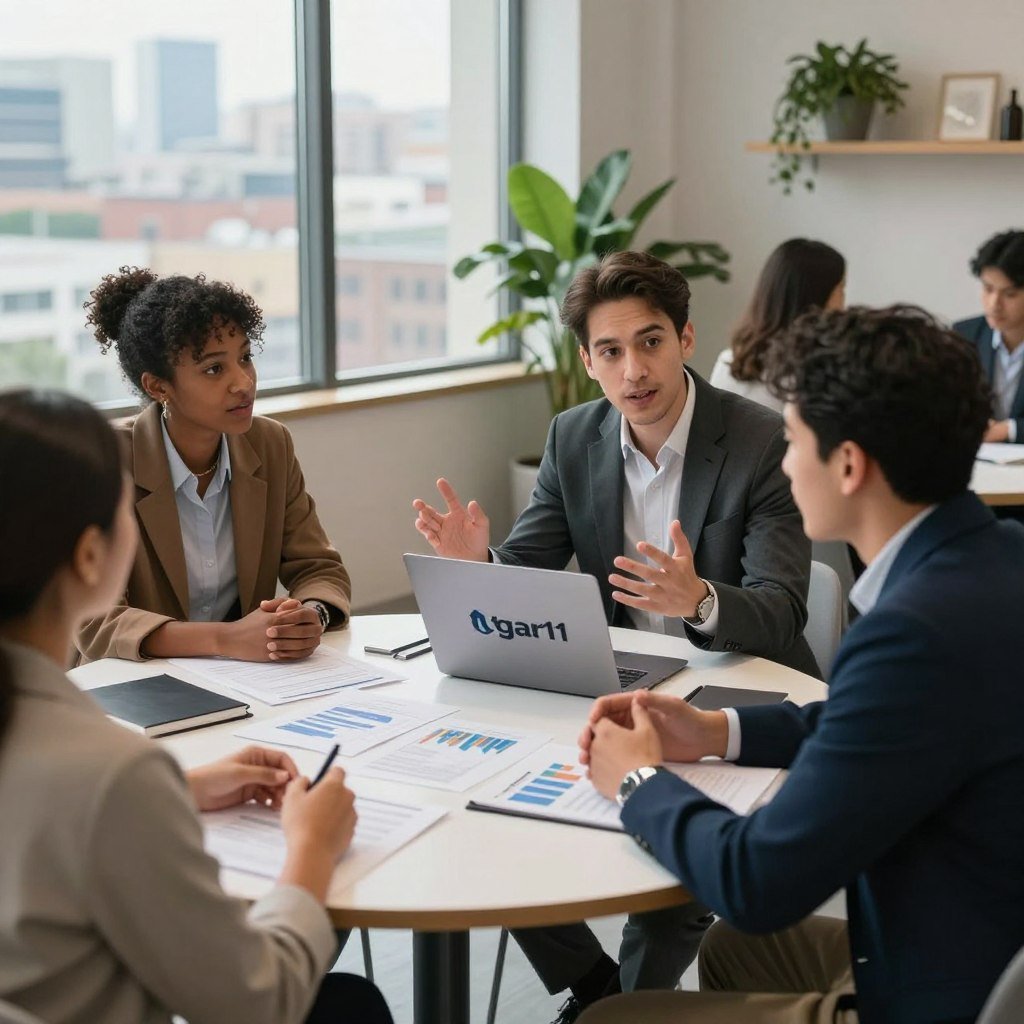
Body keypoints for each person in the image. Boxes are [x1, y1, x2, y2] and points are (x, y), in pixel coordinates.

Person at [577, 306, 1024, 1024]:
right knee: (734, 953)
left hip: (945, 991)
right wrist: (717, 731)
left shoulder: (912, 632)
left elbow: (755, 880)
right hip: (984, 938)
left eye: (792, 440)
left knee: (610, 1020)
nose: (784, 463)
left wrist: (636, 780)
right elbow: (876, 723)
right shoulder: (997, 555)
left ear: (848, 465)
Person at [413, 250, 815, 1021]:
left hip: (742, 686)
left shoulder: (759, 439)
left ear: (686, 338)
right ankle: (600, 994)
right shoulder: (574, 437)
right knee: (489, 820)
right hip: (623, 682)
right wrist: (480, 566)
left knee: (673, 890)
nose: (634, 370)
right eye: (610, 350)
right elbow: (528, 570)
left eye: (651, 341)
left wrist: (700, 599)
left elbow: (782, 610)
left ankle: (628, 1010)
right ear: (587, 361)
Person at [0, 388, 393, 1024]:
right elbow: (260, 1001)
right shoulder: (111, 772)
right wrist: (312, 849)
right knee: (349, 1006)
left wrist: (178, 790)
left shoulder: (48, 742)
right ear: (91, 556)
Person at [76, 266, 351, 663]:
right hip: (129, 678)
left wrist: (312, 615)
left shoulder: (270, 445)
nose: (244, 383)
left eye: (245, 358)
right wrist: (224, 639)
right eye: (214, 369)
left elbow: (319, 567)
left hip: (241, 677)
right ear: (158, 386)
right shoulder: (104, 461)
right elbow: (94, 618)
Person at [710, 238, 846, 414]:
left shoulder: (727, 362)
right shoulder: (812, 376)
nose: (844, 302)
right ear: (816, 298)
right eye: (841, 289)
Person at [954, 229, 1024, 444]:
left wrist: (1009, 430)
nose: (994, 304)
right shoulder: (964, 334)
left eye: (1010, 294)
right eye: (988, 289)